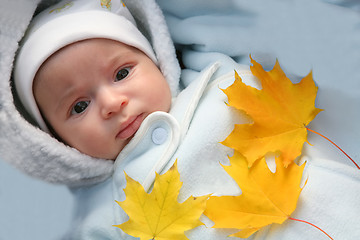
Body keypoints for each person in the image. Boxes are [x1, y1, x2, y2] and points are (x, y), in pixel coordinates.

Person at [9, 0, 360, 239]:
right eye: (79, 107)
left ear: (157, 60)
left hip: (326, 215)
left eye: (122, 73)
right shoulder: (103, 213)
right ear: (57, 142)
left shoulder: (217, 81)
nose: (112, 104)